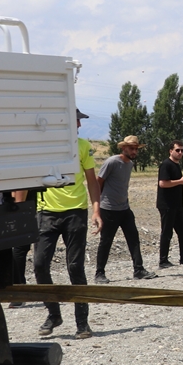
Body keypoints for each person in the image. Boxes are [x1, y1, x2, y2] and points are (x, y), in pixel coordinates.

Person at [34, 109, 100, 339]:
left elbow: (92, 181)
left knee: (75, 267)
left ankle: (82, 323)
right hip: (46, 213)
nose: (80, 126)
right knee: (40, 265)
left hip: (76, 212)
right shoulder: (43, 146)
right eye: (77, 121)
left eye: (80, 121)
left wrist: (96, 210)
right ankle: (54, 314)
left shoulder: (82, 146)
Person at [93, 135, 156, 283]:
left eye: (136, 149)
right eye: (131, 148)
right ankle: (99, 273)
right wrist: (99, 204)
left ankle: (138, 269)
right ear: (123, 148)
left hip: (124, 208)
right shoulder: (112, 162)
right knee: (106, 241)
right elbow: (98, 182)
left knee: (133, 238)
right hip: (109, 208)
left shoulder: (130, 165)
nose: (134, 151)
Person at [157, 140, 183, 267]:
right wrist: (180, 181)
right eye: (177, 150)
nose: (180, 153)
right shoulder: (166, 164)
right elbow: (163, 183)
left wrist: (181, 181)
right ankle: (163, 260)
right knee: (167, 232)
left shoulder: (176, 165)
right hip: (167, 204)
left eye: (182, 150)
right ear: (171, 151)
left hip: (177, 204)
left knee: (182, 231)